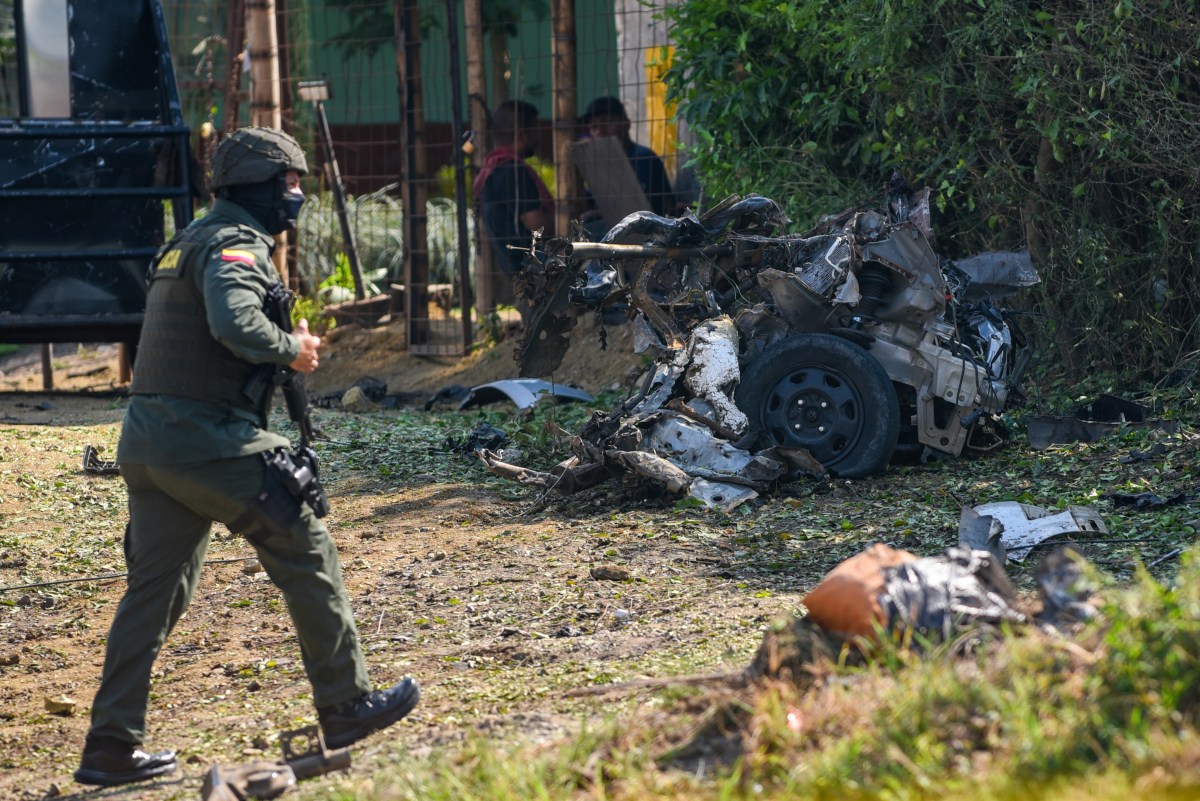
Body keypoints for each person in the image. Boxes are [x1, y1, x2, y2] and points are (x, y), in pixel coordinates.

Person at [73, 127, 419, 788]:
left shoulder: (187, 241)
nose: (296, 196)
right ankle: (346, 705)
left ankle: (111, 746)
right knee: (303, 538)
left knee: (154, 593)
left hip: (149, 444)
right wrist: (293, 348)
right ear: (259, 185)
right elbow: (234, 324)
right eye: (290, 183)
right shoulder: (235, 244)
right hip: (202, 438)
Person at [474, 99, 555, 283]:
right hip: (534, 262)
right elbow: (537, 224)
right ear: (522, 136)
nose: (537, 139)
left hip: (515, 264)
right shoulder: (513, 171)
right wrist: (568, 222)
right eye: (535, 132)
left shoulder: (493, 169)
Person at [580, 95, 678, 218]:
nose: (600, 131)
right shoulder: (598, 165)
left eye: (609, 121)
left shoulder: (643, 158)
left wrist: (597, 214)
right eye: (594, 127)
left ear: (627, 124)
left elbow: (642, 209)